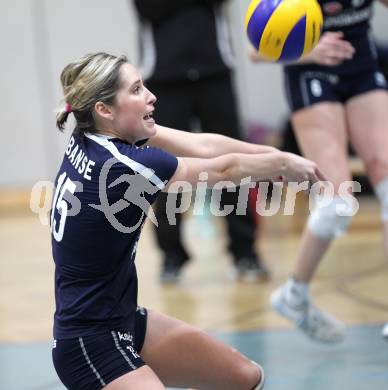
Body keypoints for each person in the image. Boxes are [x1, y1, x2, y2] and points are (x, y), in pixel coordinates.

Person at [51, 52, 323, 389]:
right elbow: (224, 169)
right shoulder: (125, 164)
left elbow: (203, 144)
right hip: (89, 344)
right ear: (104, 109)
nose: (151, 95)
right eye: (136, 90)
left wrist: (280, 156)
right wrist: (282, 166)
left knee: (244, 376)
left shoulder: (93, 134)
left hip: (124, 321)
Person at [251, 0, 388, 342]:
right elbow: (256, 52)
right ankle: (294, 295)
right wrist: (309, 53)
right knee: (337, 203)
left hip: (362, 68)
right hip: (309, 71)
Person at [133, 0, 269, 284]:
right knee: (164, 170)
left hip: (214, 71)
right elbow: (149, 8)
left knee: (235, 167)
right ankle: (171, 255)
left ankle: (245, 251)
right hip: (165, 76)